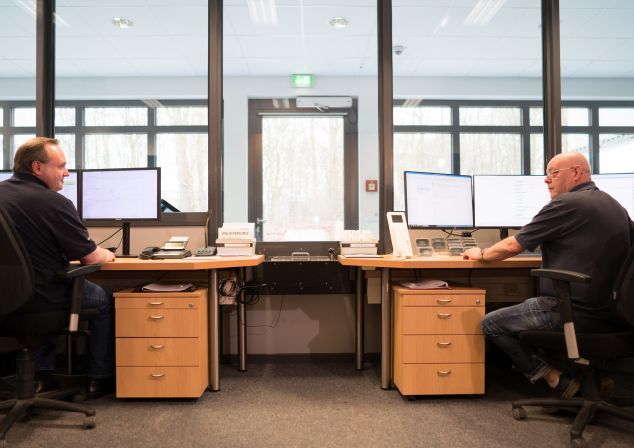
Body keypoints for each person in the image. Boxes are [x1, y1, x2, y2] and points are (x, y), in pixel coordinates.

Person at [463, 151, 634, 397]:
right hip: (610, 313)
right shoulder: (615, 205)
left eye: (553, 173)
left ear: (576, 173)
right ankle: (581, 378)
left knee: (491, 323)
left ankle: (556, 379)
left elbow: (513, 246)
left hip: (568, 310)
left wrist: (480, 254)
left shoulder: (566, 204)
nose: (546, 180)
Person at [0, 137, 116, 399]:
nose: (66, 173)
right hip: (44, 299)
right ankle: (100, 378)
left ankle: (41, 376)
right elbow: (91, 258)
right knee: (104, 301)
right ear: (38, 168)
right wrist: (108, 254)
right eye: (61, 166)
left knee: (38, 289)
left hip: (5, 303)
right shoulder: (54, 203)